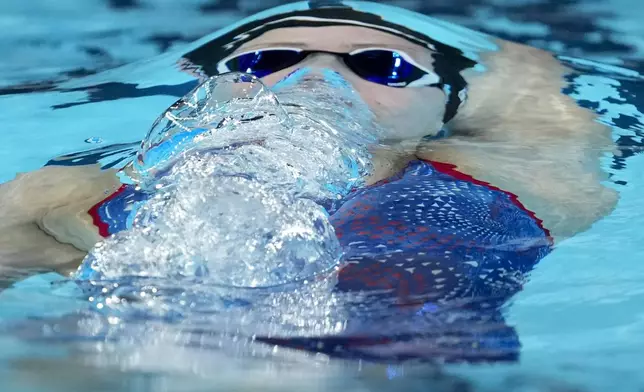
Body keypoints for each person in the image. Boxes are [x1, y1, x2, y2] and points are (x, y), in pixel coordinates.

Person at [0, 1, 618, 360]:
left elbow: (532, 80)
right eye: (268, 61)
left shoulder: (498, 173)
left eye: (382, 67)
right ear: (210, 91)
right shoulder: (67, 195)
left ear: (450, 110)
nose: (318, 78)